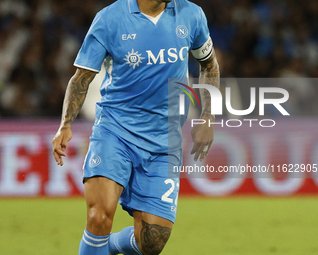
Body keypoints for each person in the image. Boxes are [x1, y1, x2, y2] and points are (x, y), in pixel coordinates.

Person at [52, 0, 220, 254]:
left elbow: (209, 65)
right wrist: (65, 124)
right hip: (115, 131)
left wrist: (208, 116)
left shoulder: (192, 14)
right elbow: (82, 77)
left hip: (165, 140)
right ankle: (97, 240)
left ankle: (103, 246)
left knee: (152, 241)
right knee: (99, 216)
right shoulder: (109, 18)